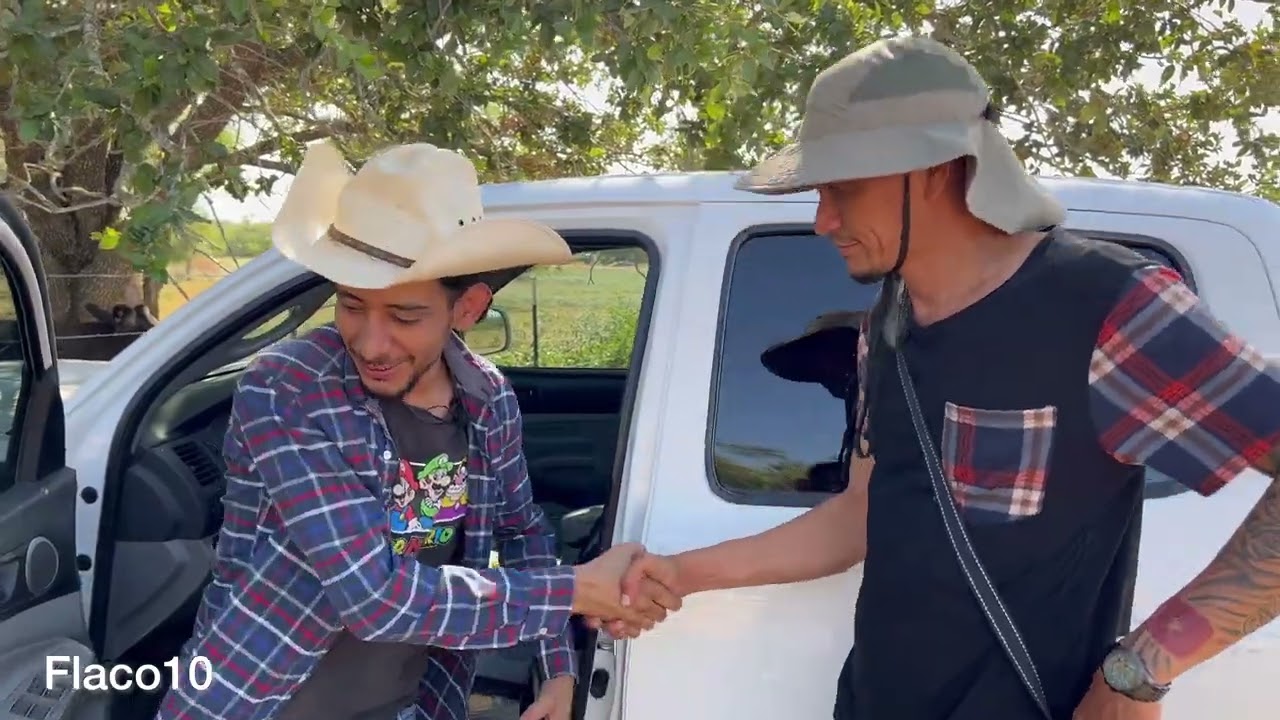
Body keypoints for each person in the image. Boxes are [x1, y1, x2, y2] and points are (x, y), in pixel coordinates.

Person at [615, 36, 1280, 720]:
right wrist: (684, 574)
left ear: (935, 168)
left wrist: (1141, 669)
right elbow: (859, 517)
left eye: (844, 188)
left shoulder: (1109, 307)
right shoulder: (888, 326)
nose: (823, 220)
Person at [156, 141, 679, 720]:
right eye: (351, 306)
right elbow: (372, 597)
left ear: (468, 309)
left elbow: (521, 531)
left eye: (405, 316)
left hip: (415, 702)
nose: (371, 343)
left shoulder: (487, 396)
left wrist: (556, 667)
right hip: (261, 701)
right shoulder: (289, 388)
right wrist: (576, 590)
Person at [759, 310, 865, 493]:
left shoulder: (887, 406)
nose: (826, 373)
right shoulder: (857, 407)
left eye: (832, 356)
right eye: (819, 367)